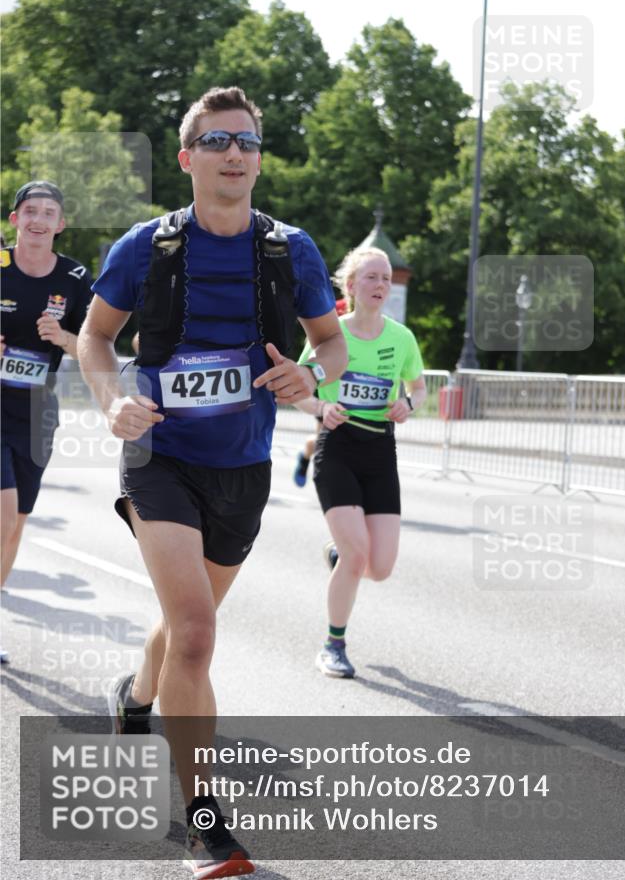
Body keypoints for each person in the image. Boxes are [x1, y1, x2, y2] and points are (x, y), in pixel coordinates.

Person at [78, 86, 347, 878]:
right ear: (190, 156)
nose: (237, 153)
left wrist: (311, 377)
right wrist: (113, 400)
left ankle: (134, 691)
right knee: (197, 632)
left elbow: (328, 344)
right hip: (160, 458)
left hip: (242, 467)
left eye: (249, 142)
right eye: (219, 140)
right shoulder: (146, 246)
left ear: (259, 159)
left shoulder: (288, 249)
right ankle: (204, 823)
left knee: (180, 625)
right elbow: (96, 338)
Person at [296, 246, 427, 679]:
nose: (380, 285)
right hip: (337, 449)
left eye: (386, 278)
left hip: (380, 452)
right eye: (371, 277)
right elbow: (296, 389)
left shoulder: (401, 338)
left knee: (381, 567)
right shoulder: (331, 335)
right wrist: (320, 409)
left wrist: (408, 403)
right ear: (351, 286)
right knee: (357, 555)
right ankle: (333, 645)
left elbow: (420, 388)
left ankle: (339, 554)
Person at [1, 181, 92, 663]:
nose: (38, 219)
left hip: (36, 408)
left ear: (61, 224)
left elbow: (93, 344)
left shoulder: (76, 278)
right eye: (29, 210)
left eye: (48, 212)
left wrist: (62, 337)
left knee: (15, 522)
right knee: (3, 508)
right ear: (14, 220)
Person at [292, 296, 348, 487]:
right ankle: (306, 455)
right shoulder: (337, 308)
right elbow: (322, 338)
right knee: (324, 439)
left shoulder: (373, 316)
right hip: (328, 384)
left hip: (350, 392)